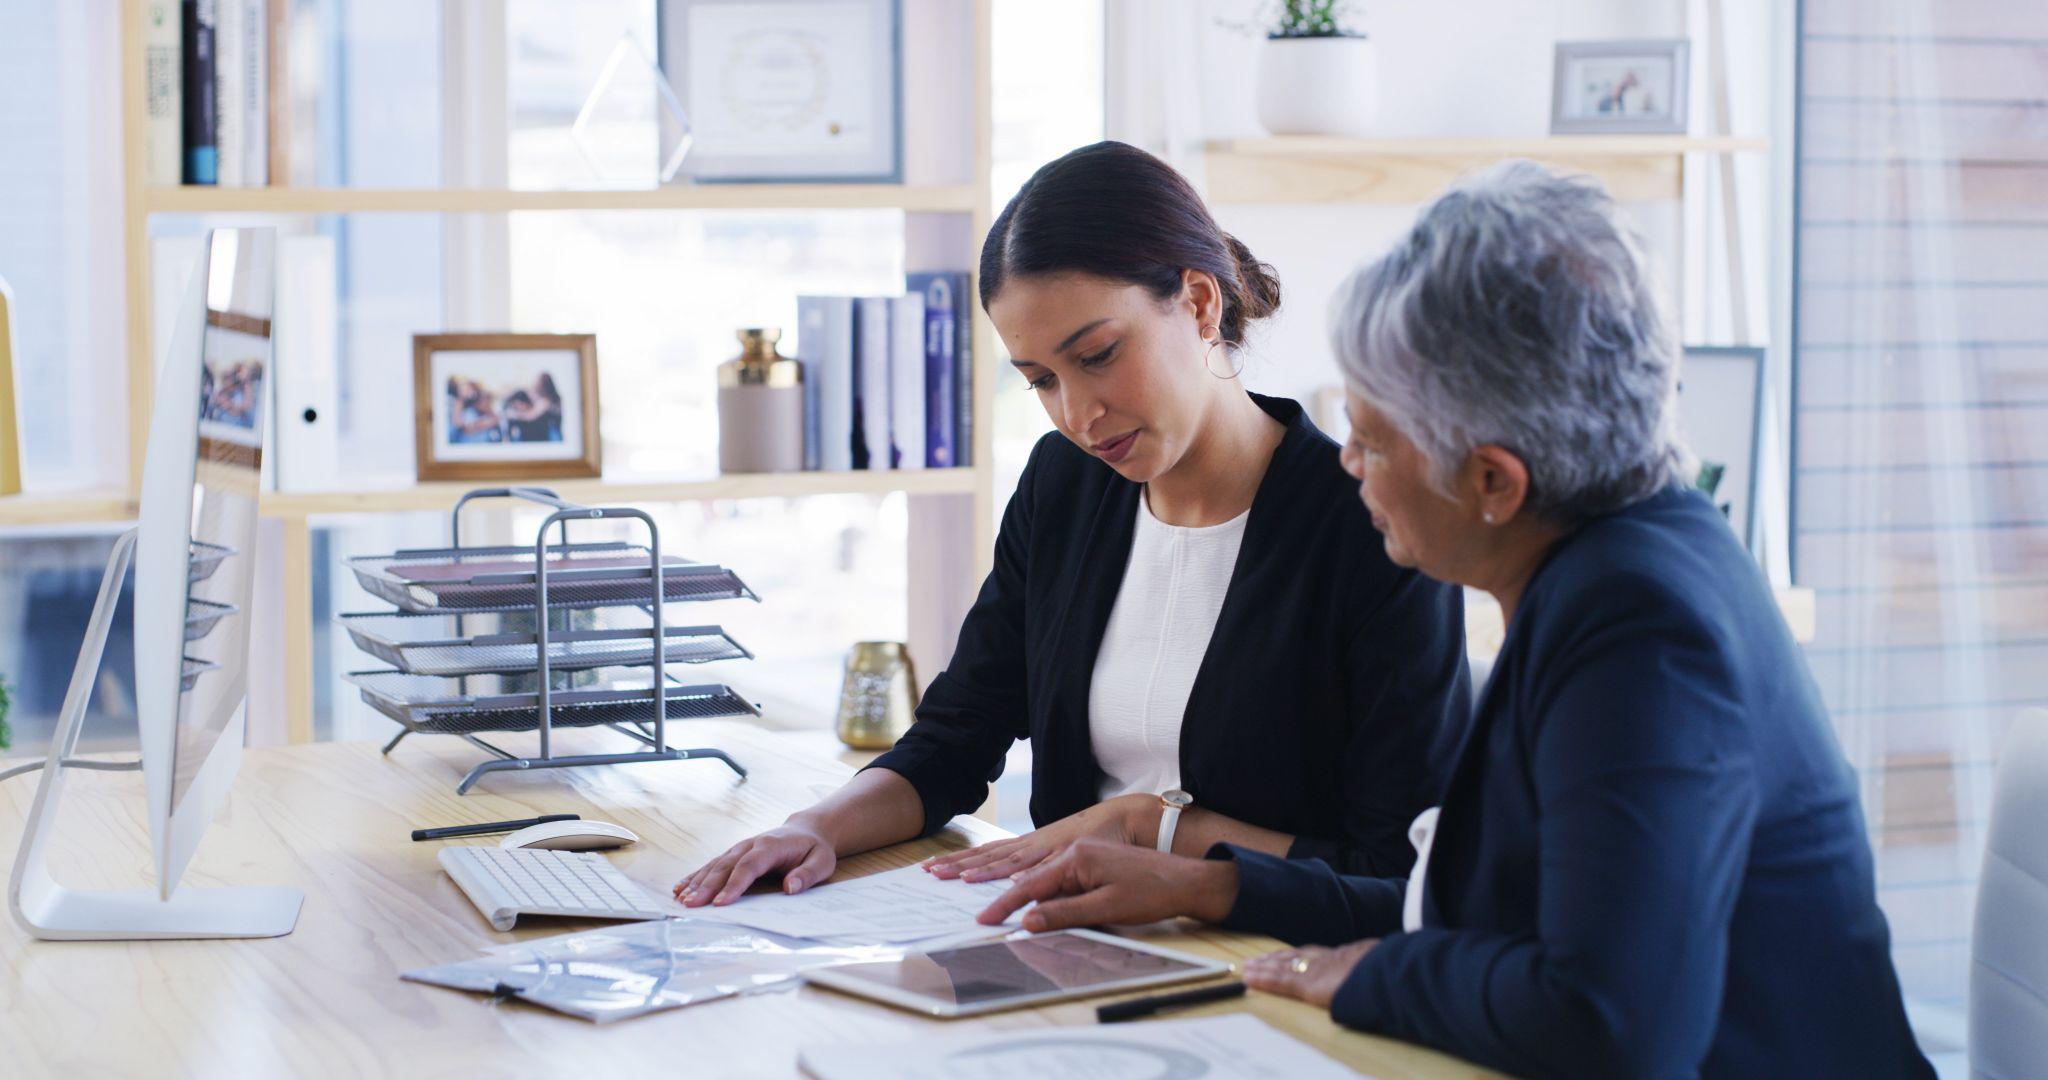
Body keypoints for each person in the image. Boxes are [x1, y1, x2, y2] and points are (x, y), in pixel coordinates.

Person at [975, 161, 1933, 1079]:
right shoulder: (1617, 565)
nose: (1349, 463)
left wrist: (1374, 974)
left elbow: (1610, 1022)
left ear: (1492, 481)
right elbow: (1503, 921)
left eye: (1374, 436)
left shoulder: (1641, 631)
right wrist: (1220, 884)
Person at [676, 140, 1470, 907]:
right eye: (1040, 381)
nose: (1078, 415)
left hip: (1270, 963)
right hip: (1066, 946)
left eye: (1096, 356)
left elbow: (1397, 874)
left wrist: (1152, 827)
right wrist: (813, 828)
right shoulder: (1064, 488)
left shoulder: (1373, 526)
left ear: (1199, 302)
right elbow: (957, 738)